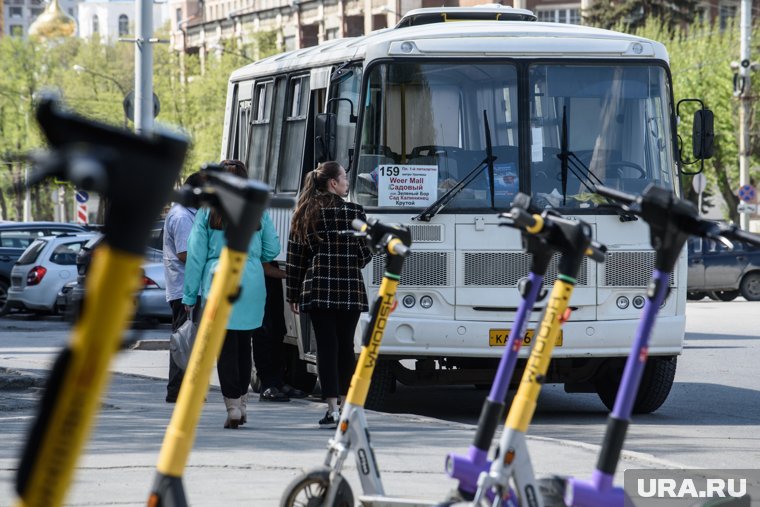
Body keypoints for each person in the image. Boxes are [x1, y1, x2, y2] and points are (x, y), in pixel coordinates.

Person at [182, 159, 281, 429]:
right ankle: (244, 403)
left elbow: (195, 255)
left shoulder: (207, 211)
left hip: (218, 279)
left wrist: (189, 296)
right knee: (244, 344)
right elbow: (272, 249)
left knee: (224, 347)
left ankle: (233, 407)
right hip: (250, 281)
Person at [286, 161, 372, 429]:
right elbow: (365, 254)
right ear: (333, 183)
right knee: (347, 347)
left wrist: (293, 294)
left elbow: (295, 258)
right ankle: (347, 408)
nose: (347, 182)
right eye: (344, 177)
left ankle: (332, 409)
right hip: (349, 290)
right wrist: (350, 256)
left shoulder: (305, 212)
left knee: (326, 349)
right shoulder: (355, 212)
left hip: (319, 289)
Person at [163, 171, 203, 403]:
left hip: (188, 287)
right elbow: (185, 254)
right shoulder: (182, 217)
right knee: (184, 340)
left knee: (189, 339)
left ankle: (184, 389)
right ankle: (177, 390)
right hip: (186, 289)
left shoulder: (188, 213)